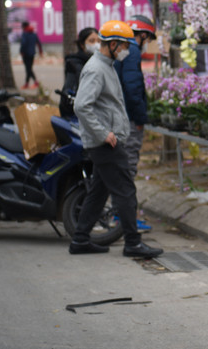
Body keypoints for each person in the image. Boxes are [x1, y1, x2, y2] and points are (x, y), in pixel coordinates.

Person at [69, 20, 163, 259]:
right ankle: (133, 242)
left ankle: (80, 239)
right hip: (105, 143)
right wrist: (104, 133)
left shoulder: (107, 65)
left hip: (107, 141)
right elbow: (82, 105)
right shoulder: (96, 69)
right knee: (125, 191)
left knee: (99, 193)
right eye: (123, 45)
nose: (127, 50)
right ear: (111, 44)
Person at [115, 14, 157, 232]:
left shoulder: (121, 49)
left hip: (118, 117)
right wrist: (140, 118)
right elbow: (132, 90)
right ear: (141, 35)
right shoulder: (131, 52)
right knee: (128, 168)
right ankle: (126, 221)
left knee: (119, 169)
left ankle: (118, 217)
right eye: (147, 38)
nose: (146, 43)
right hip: (129, 120)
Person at [59, 27, 99, 118]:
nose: (96, 45)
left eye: (99, 41)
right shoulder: (75, 63)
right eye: (92, 41)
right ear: (82, 44)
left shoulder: (100, 62)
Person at [19, 21, 43, 89]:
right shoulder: (34, 34)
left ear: (24, 27)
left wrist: (21, 51)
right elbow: (39, 43)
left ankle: (34, 82)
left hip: (26, 54)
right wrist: (40, 52)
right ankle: (27, 83)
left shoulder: (25, 34)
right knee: (29, 69)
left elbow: (23, 43)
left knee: (28, 69)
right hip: (32, 54)